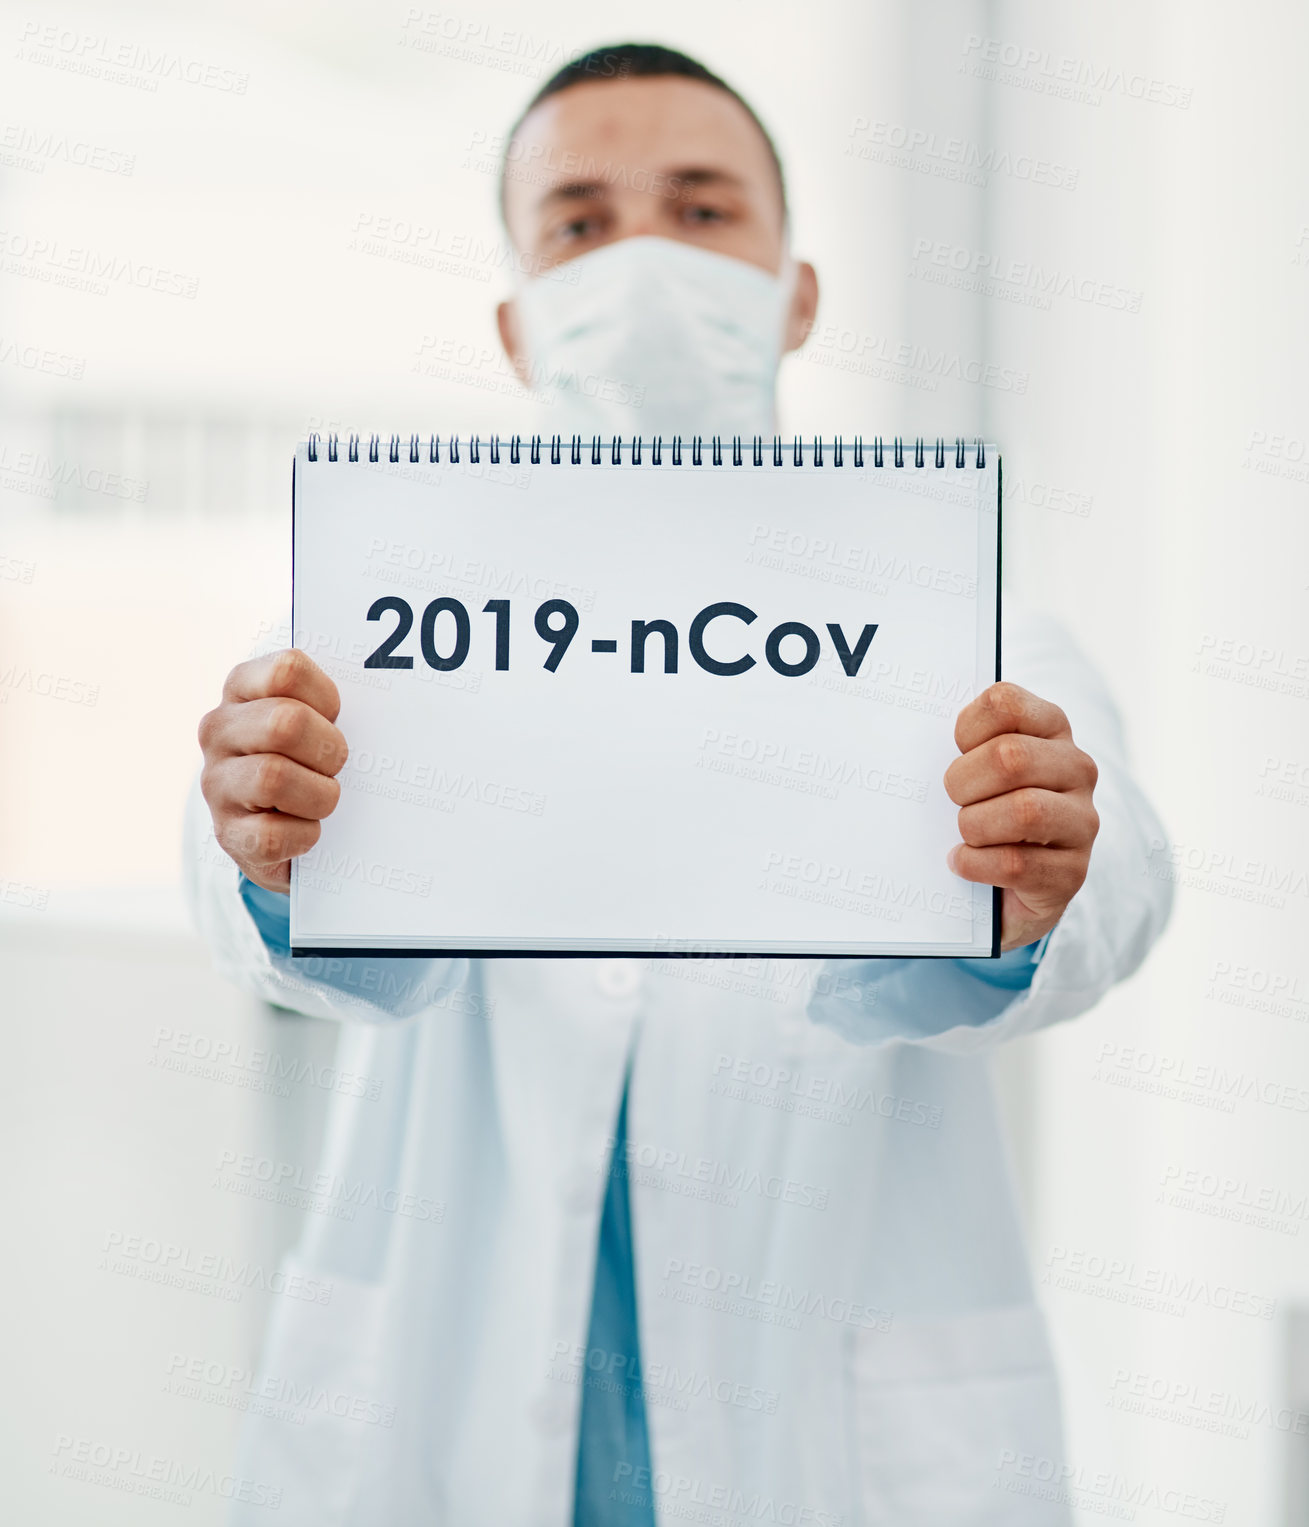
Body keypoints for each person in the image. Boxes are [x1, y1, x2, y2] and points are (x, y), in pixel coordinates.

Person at [188, 43, 1171, 1527]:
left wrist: (1040, 876)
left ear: (797, 291)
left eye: (702, 211)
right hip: (445, 1407)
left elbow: (1123, 870)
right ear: (517, 323)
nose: (643, 261)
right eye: (579, 223)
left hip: (833, 1421)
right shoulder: (380, 614)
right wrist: (267, 848)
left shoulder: (957, 623)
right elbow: (243, 897)